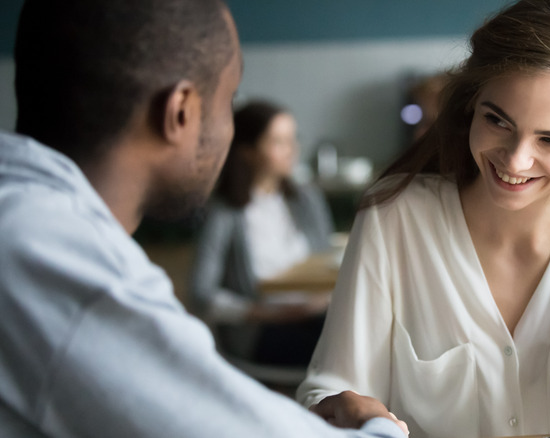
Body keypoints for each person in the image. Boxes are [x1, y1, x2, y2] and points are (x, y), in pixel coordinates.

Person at [0, 1, 407, 437]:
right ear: (180, 112)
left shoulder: (24, 215)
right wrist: (382, 428)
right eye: (228, 100)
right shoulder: (61, 261)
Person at [297, 0, 550, 437]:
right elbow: (331, 393)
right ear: (471, 104)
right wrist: (354, 413)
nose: (516, 161)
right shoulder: (395, 217)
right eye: (497, 120)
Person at [190, 100, 334, 366]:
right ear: (247, 151)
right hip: (260, 330)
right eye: (278, 142)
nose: (291, 151)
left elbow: (326, 267)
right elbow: (201, 293)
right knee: (343, 352)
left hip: (316, 317)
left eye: (293, 140)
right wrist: (270, 314)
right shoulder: (225, 211)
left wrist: (320, 302)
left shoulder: (307, 200)